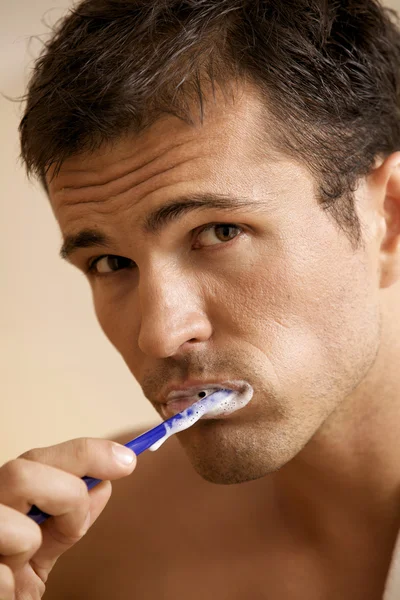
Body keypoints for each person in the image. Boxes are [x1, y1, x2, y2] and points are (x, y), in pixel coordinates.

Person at [2, 0, 400, 597]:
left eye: (219, 232)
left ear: (389, 217)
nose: (158, 335)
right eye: (110, 263)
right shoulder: (85, 555)